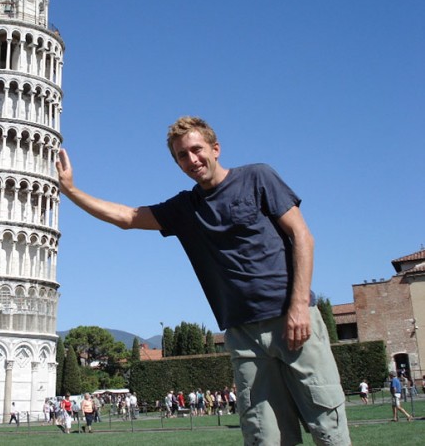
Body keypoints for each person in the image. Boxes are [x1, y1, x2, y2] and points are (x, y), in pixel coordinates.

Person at [56, 116, 351, 445]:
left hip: (293, 320)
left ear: (215, 148)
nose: (192, 159)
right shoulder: (186, 208)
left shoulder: (258, 177)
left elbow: (302, 237)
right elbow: (126, 217)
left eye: (196, 149)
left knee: (328, 427)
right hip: (242, 334)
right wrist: (70, 190)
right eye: (182, 155)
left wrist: (298, 306)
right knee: (263, 436)